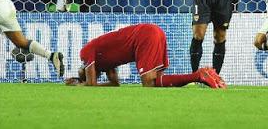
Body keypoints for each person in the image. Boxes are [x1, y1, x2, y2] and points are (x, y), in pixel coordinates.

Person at [65, 23, 226, 88]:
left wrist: (77, 84)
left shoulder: (85, 52)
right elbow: (115, 84)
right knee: (155, 81)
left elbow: (91, 84)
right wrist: (84, 82)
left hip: (145, 36)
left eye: (82, 73)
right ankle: (200, 75)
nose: (84, 73)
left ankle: (198, 75)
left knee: (149, 82)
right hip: (152, 32)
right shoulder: (104, 61)